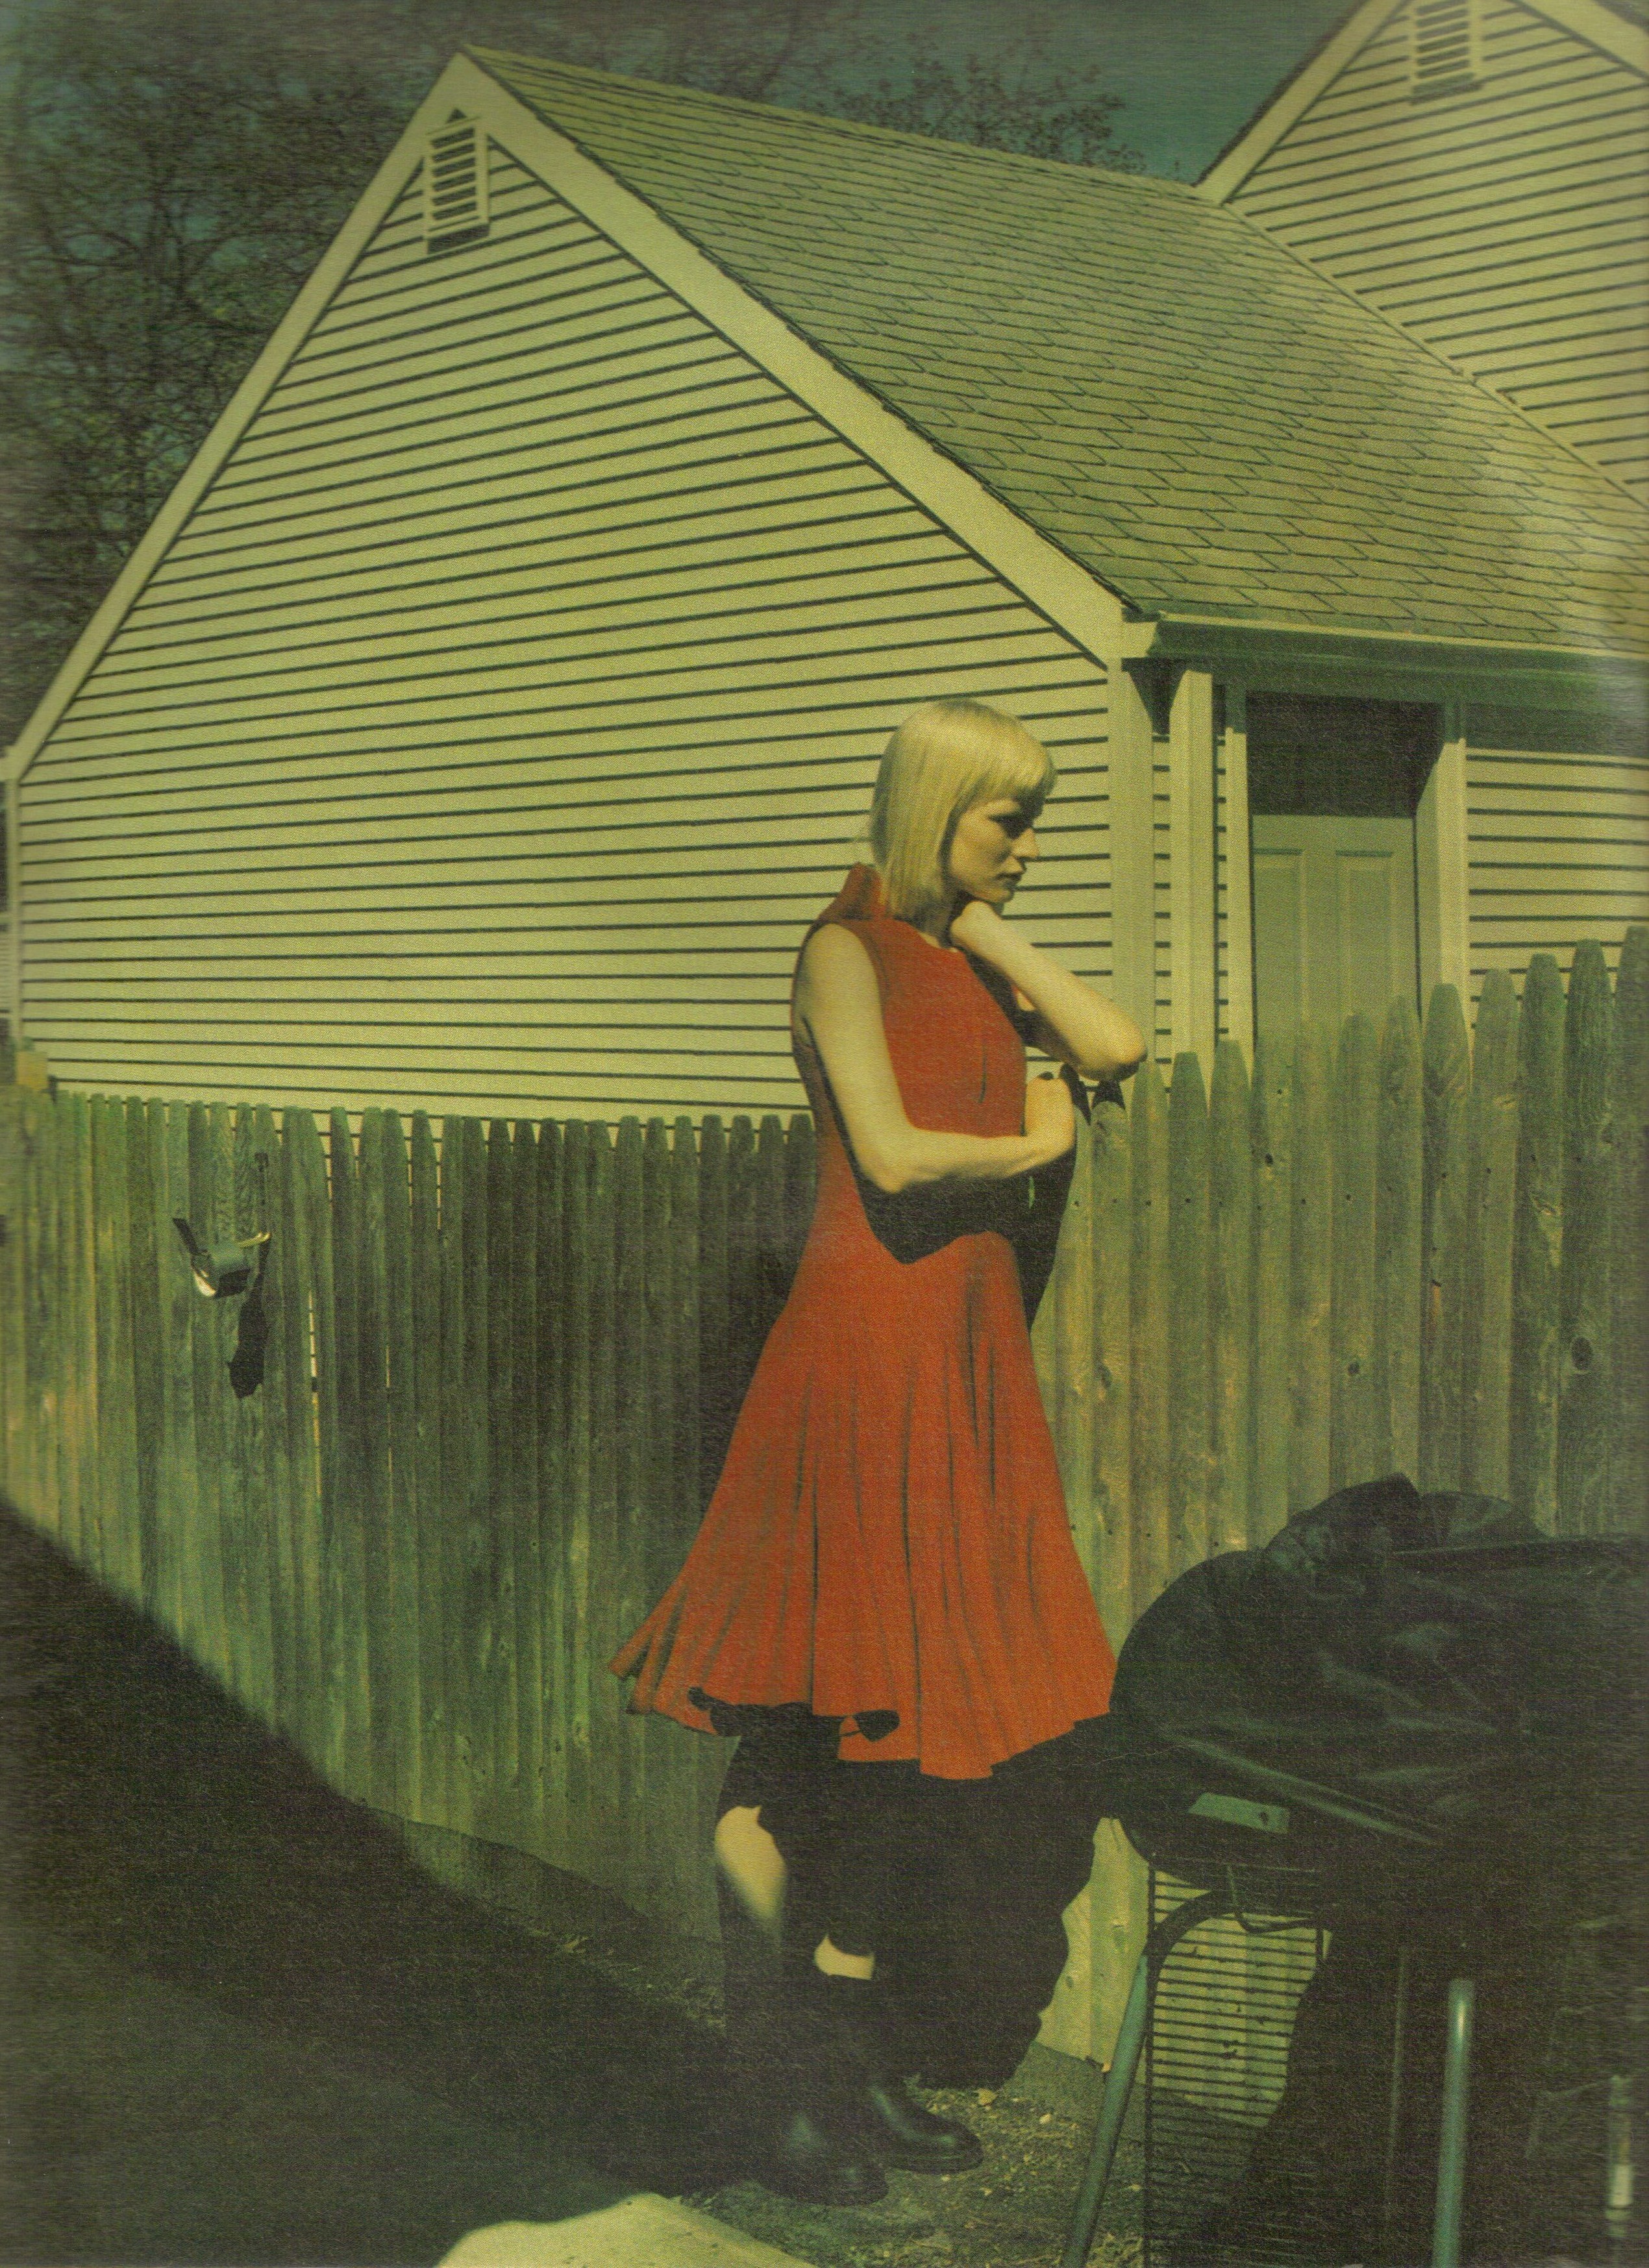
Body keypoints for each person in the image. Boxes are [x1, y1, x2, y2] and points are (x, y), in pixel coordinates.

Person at [610, 698, 1146, 2203]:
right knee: (800, 1735)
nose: (1028, 845)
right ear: (931, 811)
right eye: (1005, 820)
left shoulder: (958, 955)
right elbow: (894, 1157)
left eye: (1033, 821)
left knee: (912, 1748)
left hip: (961, 1378)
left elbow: (1116, 1041)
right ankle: (768, 2084)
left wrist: (983, 923)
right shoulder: (840, 953)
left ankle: (844, 2070)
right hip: (856, 1368)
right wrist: (1034, 1146)